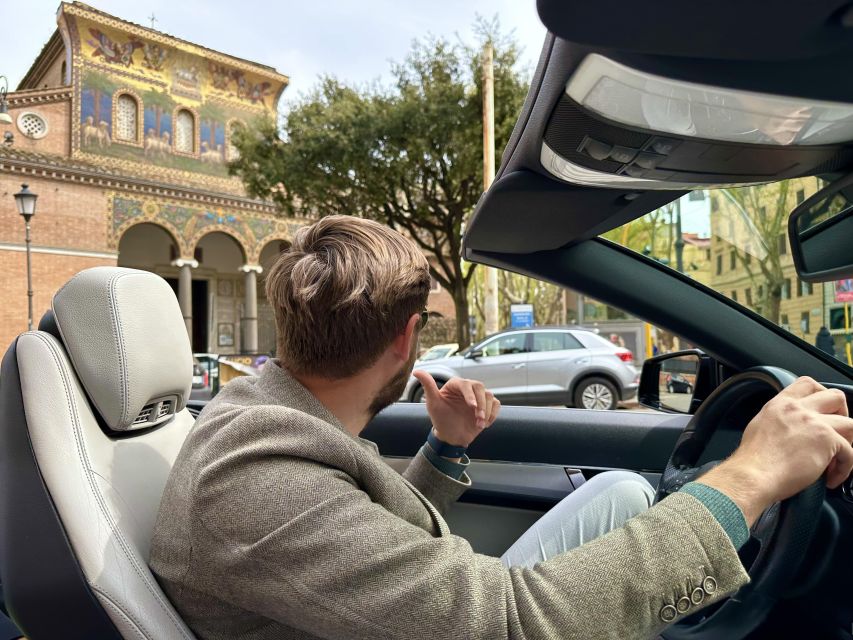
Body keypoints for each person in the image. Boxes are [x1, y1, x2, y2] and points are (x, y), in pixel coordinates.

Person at [150, 215, 853, 640]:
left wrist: (444, 446)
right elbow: (511, 624)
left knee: (618, 491)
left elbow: (358, 536)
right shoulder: (254, 474)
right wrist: (752, 473)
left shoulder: (269, 422)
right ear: (407, 339)